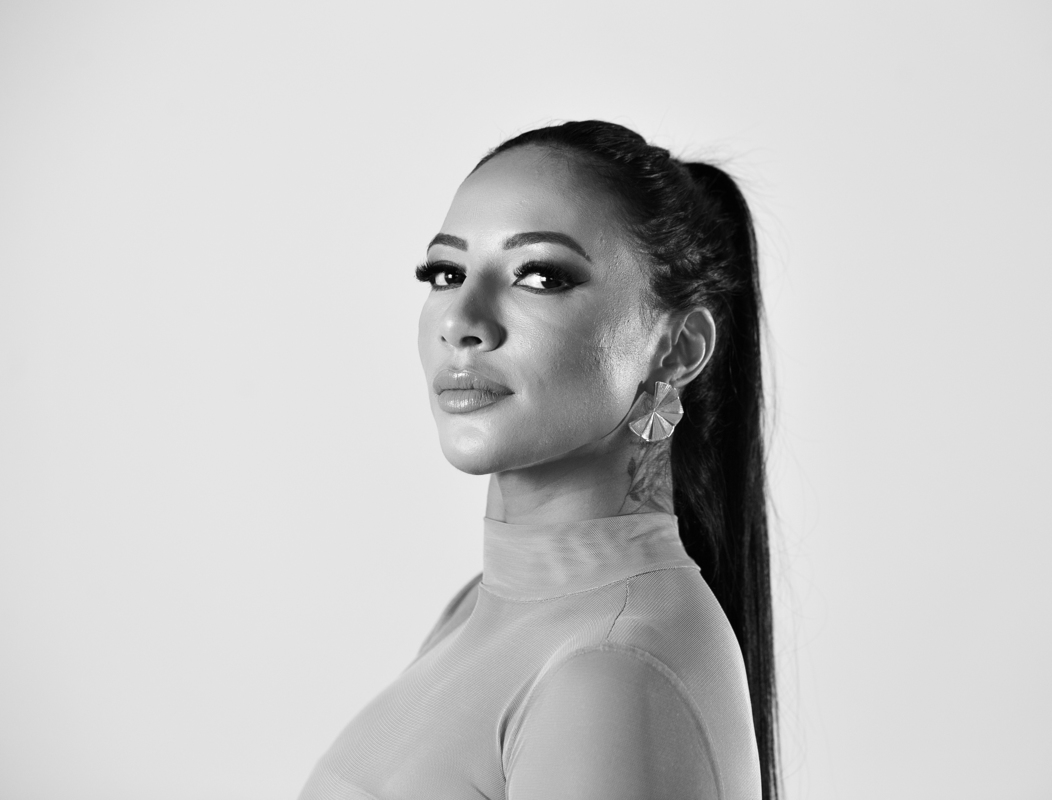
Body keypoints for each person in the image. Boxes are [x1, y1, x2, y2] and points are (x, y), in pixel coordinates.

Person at [298, 120, 780, 799]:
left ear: (677, 349)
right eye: (446, 273)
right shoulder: (481, 605)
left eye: (540, 276)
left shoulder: (611, 668)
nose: (461, 320)